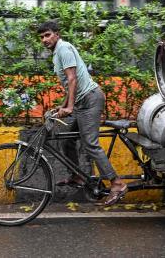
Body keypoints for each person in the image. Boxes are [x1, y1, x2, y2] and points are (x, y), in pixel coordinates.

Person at [37, 20, 128, 205]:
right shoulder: (57, 53)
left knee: (90, 143)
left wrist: (69, 107)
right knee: (68, 139)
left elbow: (72, 78)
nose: (44, 40)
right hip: (81, 102)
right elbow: (70, 84)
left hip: (90, 99)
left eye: (47, 35)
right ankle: (77, 176)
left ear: (57, 34)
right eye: (41, 37)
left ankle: (117, 183)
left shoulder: (63, 48)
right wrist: (61, 105)